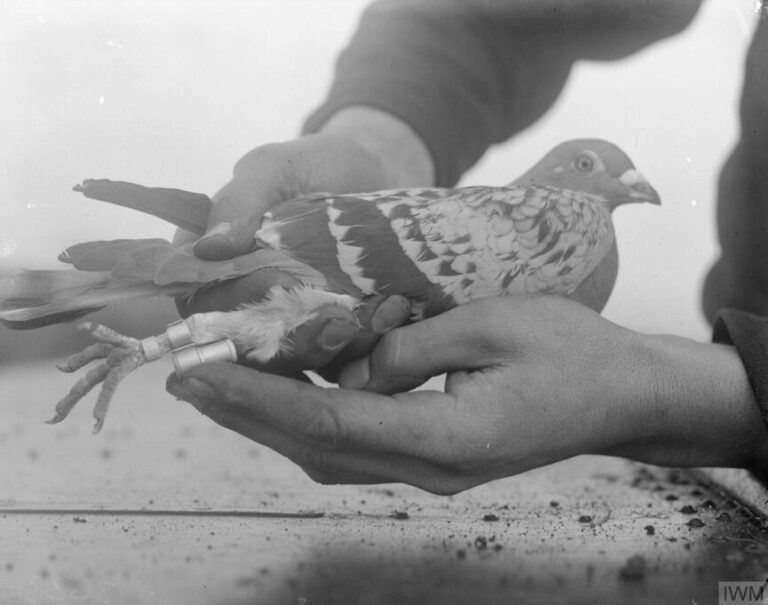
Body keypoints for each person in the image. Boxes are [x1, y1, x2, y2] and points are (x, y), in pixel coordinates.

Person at [166, 0, 768, 493]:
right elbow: (486, 19)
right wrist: (380, 145)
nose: (631, 185)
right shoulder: (560, 226)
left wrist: (697, 397)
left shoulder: (579, 230)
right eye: (589, 166)